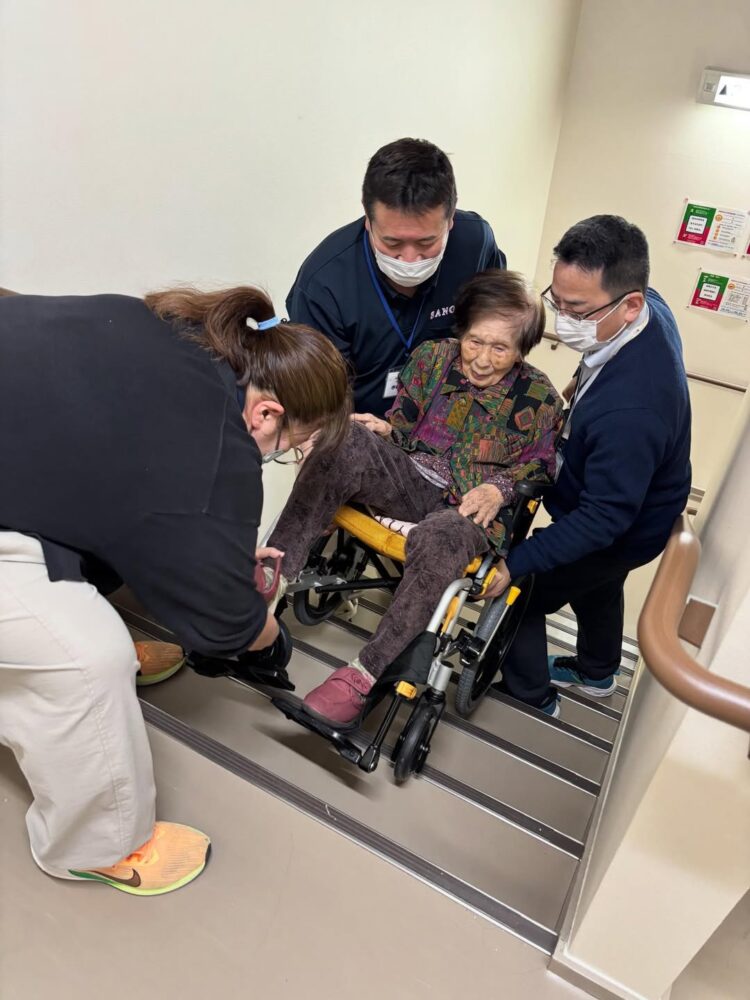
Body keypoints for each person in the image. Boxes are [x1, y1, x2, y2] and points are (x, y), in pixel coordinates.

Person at [0, 287, 350, 894]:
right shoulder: (217, 447)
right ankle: (98, 846)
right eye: (289, 446)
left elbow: (116, 485)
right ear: (267, 414)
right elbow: (224, 625)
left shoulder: (163, 329)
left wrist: (208, 551)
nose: (280, 454)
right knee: (91, 659)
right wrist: (268, 632)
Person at [270, 270, 562, 726]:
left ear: (523, 349)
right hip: (410, 480)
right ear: (462, 330)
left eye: (500, 349)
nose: (482, 359)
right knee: (344, 437)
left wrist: (499, 488)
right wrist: (387, 430)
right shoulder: (431, 358)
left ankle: (364, 675)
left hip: (467, 509)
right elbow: (404, 429)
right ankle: (269, 583)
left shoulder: (540, 399)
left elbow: (542, 468)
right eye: (474, 341)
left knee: (443, 535)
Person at [491, 216, 692, 713]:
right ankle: (598, 671)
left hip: (624, 525)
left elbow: (602, 519)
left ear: (629, 305)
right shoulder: (651, 311)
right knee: (597, 586)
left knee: (524, 588)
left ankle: (531, 697)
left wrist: (514, 564)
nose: (562, 318)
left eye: (577, 309)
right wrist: (579, 389)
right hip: (645, 503)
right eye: (556, 299)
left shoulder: (632, 412)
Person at [287, 137, 506, 417]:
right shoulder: (324, 283)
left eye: (426, 242)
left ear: (450, 218)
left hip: (449, 419)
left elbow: (499, 323)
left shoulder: (475, 244)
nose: (410, 259)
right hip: (361, 423)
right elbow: (322, 403)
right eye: (392, 243)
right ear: (368, 218)